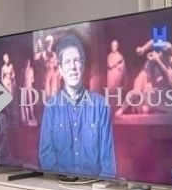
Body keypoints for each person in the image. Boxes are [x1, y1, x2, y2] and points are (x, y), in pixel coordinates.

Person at [38, 34, 116, 179]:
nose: (73, 67)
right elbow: (46, 158)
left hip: (94, 189)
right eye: (67, 62)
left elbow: (108, 165)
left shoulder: (101, 106)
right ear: (60, 70)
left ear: (83, 66)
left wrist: (99, 189)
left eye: (77, 60)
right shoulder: (51, 108)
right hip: (60, 187)